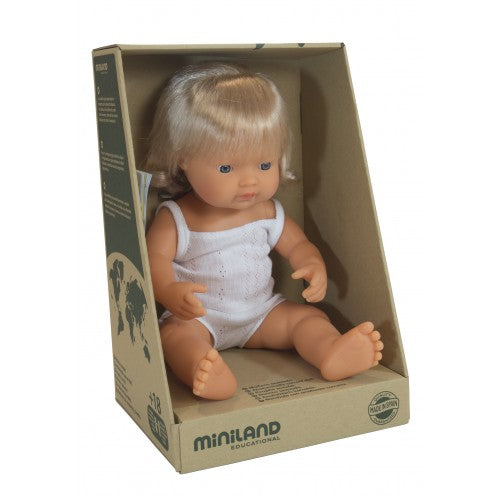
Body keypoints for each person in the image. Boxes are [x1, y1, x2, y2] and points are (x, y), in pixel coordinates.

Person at [145, 63, 383, 400]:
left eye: (264, 165)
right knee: (174, 337)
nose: (250, 181)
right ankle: (203, 369)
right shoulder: (177, 218)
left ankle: (330, 351)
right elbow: (153, 260)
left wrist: (312, 264)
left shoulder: (267, 212)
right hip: (199, 318)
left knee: (306, 318)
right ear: (183, 158)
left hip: (262, 313)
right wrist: (169, 291)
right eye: (226, 167)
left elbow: (298, 245)